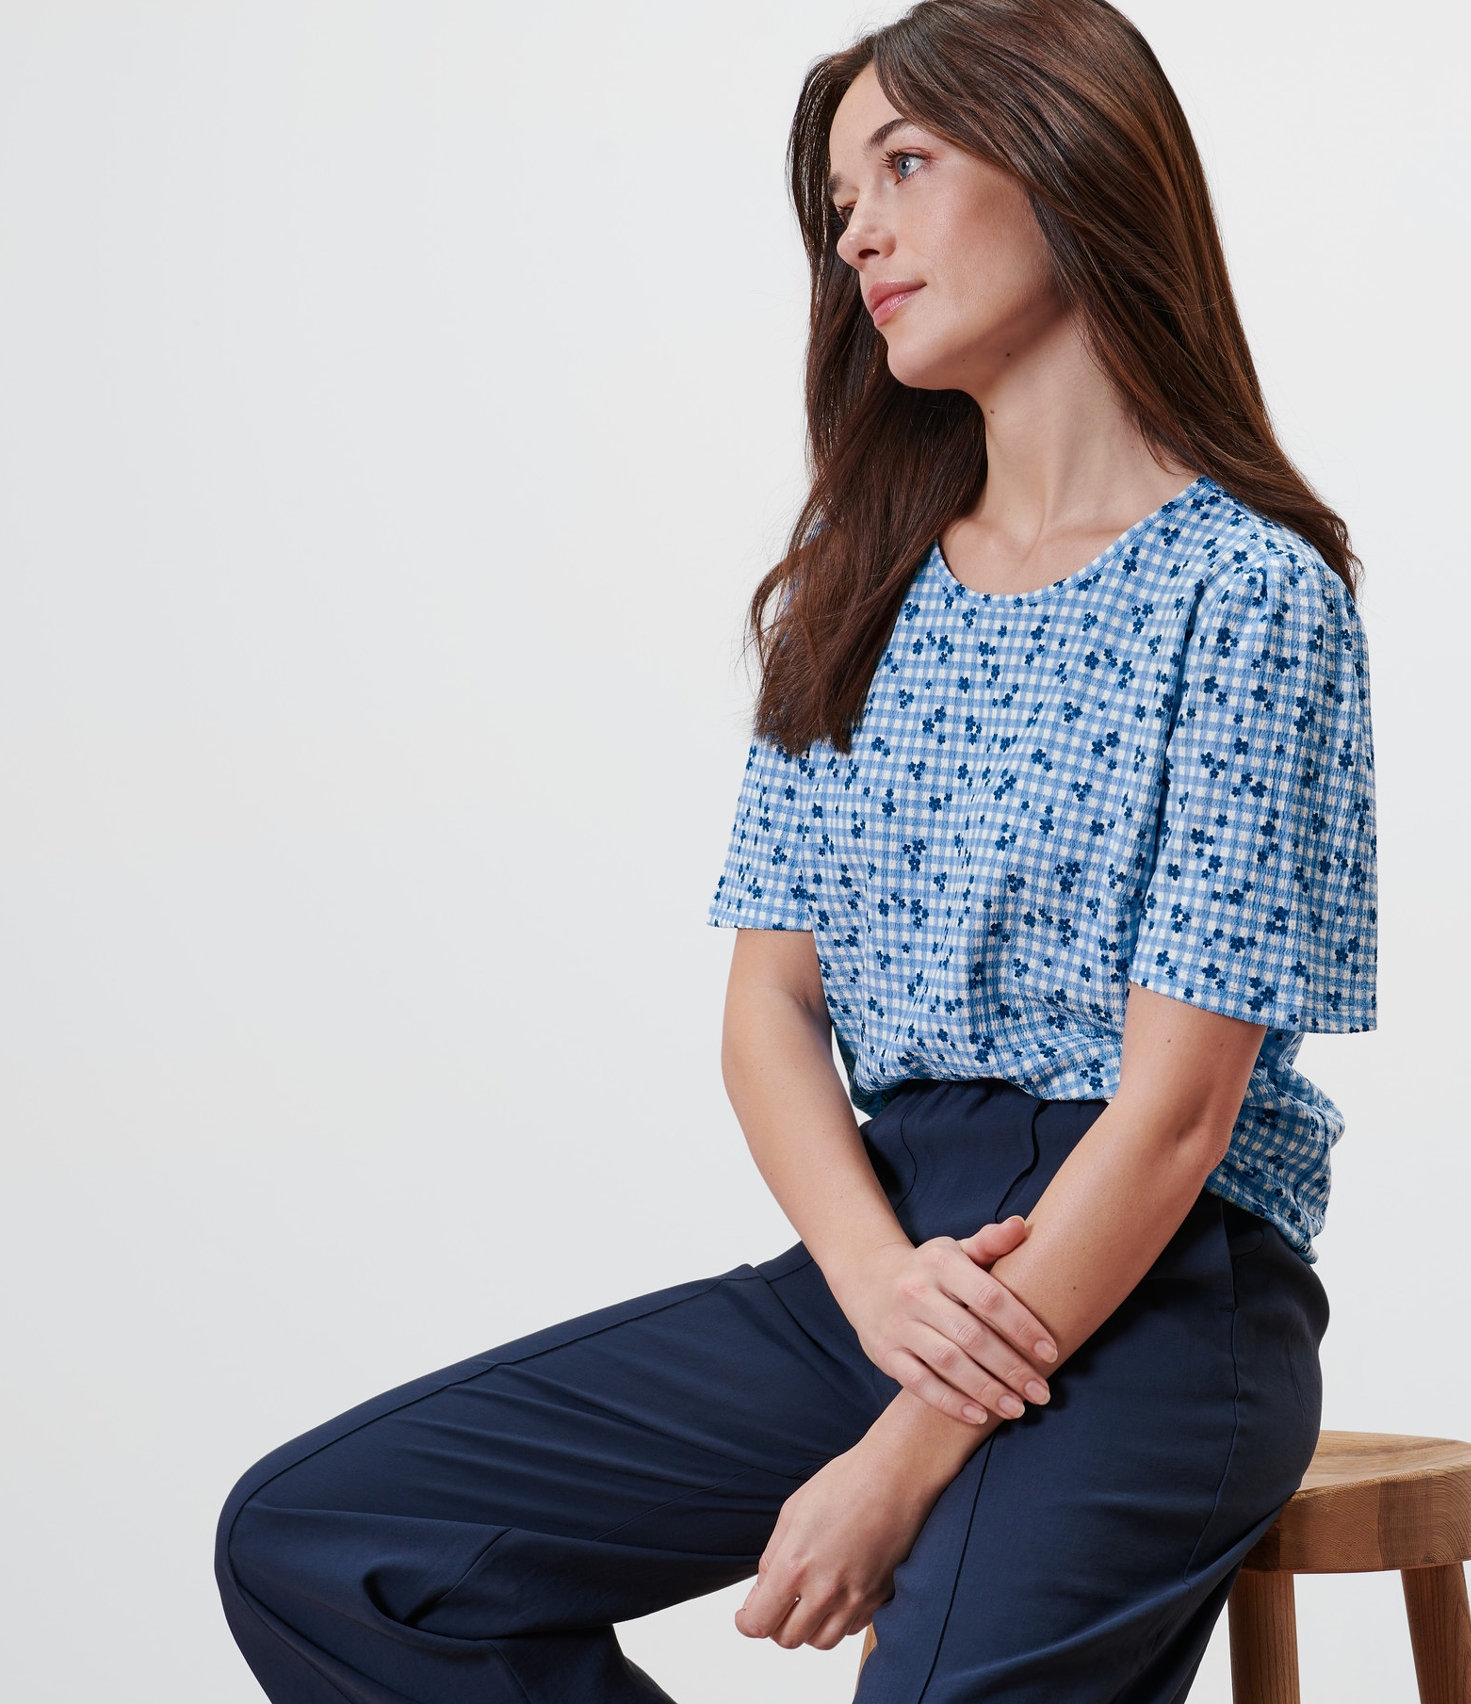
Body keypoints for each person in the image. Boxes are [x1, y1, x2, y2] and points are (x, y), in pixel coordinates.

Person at [214, 1, 1377, 1698]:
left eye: (905, 164)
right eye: (842, 201)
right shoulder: (861, 571)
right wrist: (878, 1284)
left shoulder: (1247, 592)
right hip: (892, 1243)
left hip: (1156, 1283)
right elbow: (770, 1013)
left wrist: (897, 1459)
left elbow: (1183, 1109)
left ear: (1072, 160)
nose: (862, 233)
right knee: (330, 1544)